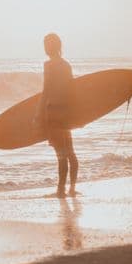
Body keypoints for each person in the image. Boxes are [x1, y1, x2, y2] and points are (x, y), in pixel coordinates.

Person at [36, 32, 79, 198]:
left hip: (53, 112)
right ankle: (72, 188)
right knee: (70, 152)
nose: (45, 48)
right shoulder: (66, 65)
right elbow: (71, 90)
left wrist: (38, 114)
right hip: (66, 113)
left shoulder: (49, 65)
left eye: (46, 45)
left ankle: (60, 190)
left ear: (50, 47)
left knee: (61, 155)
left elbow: (46, 91)